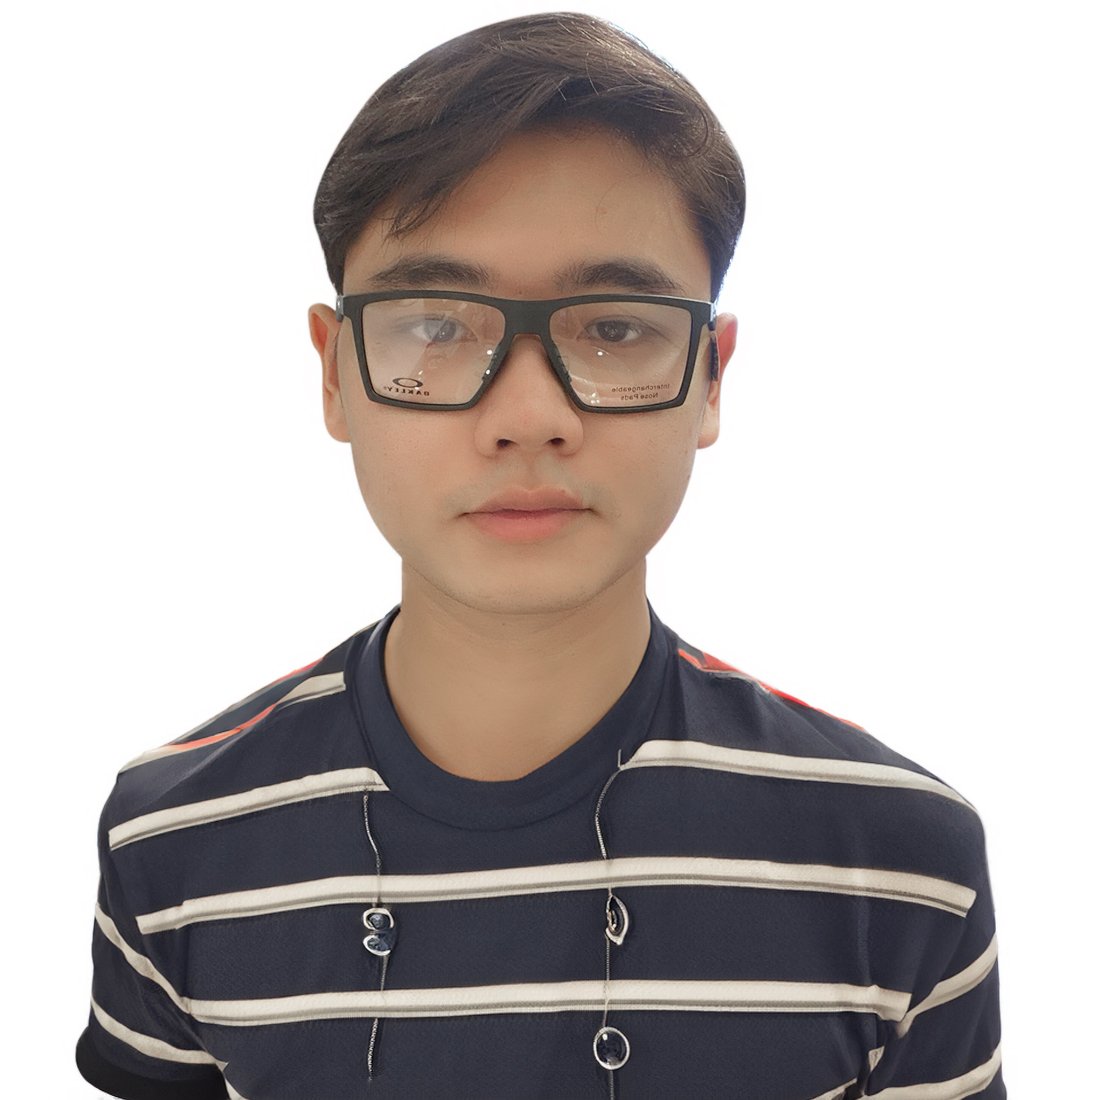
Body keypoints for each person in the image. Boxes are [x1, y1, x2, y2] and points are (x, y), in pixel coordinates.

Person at [75, 13, 1004, 1099]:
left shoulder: (899, 860)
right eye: (434, 325)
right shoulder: (172, 841)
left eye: (613, 328)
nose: (528, 418)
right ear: (334, 374)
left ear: (710, 377)